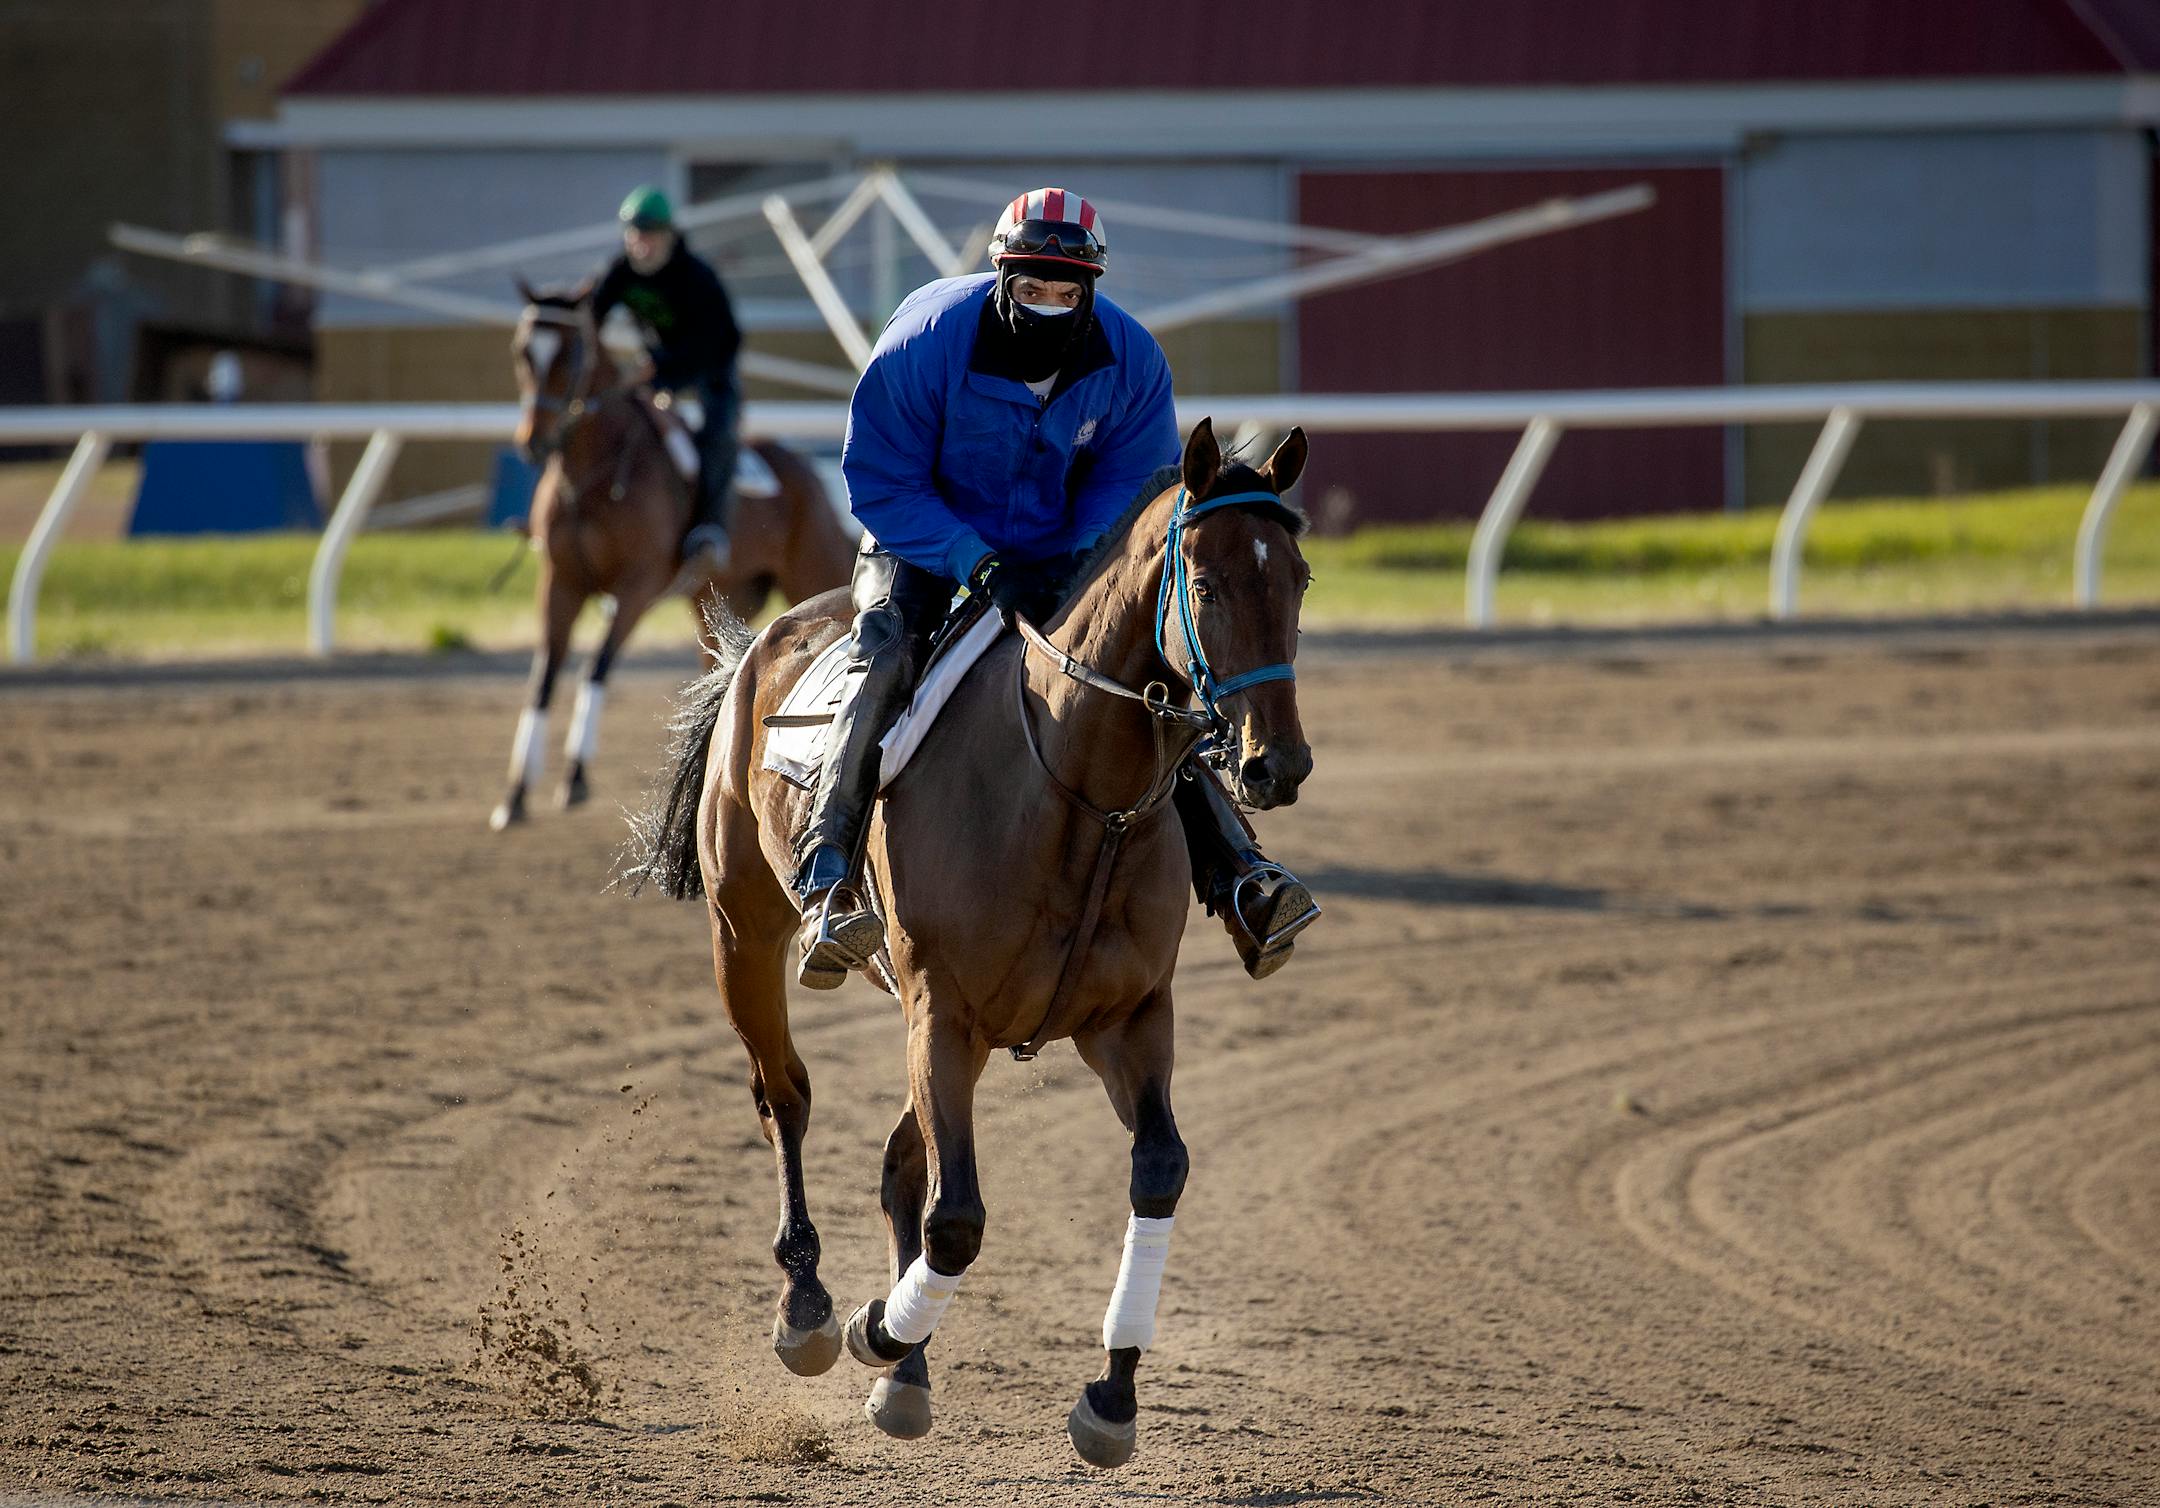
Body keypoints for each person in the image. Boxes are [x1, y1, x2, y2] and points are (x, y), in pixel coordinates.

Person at [789, 186, 1319, 990]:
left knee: (1143, 677)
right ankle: (826, 877)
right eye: (1029, 287)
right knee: (888, 654)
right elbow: (881, 479)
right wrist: (975, 559)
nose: (1045, 304)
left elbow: (1131, 489)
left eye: (1065, 292)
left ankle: (1239, 876)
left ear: (1091, 292)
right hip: (923, 541)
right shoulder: (926, 341)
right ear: (1001, 275)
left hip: (1061, 552)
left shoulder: (1132, 361)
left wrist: (1070, 561)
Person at [589, 185, 741, 572]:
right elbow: (589, 316)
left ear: (669, 235)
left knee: (718, 434)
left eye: (650, 234)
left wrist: (656, 364)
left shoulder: (696, 277)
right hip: (658, 369)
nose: (641, 244)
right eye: (634, 234)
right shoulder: (619, 272)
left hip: (709, 365)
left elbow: (715, 343)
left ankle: (710, 529)